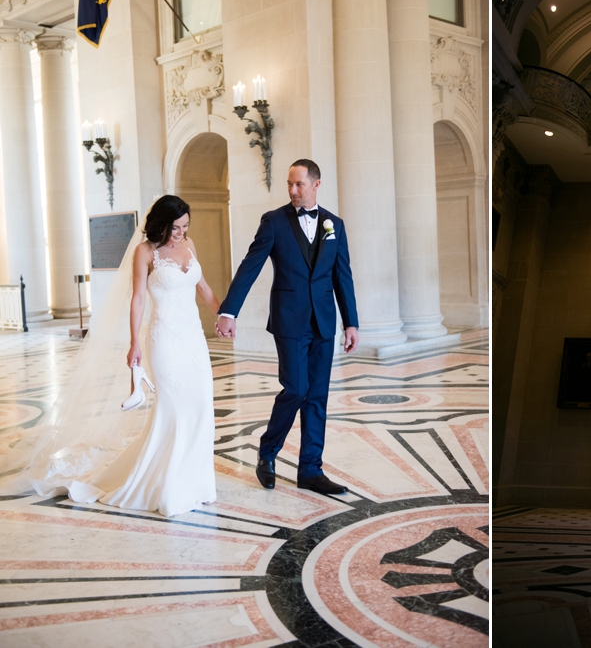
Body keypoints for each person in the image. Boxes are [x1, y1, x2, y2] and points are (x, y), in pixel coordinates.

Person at [0, 196, 220, 517]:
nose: (181, 233)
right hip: (164, 341)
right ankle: (168, 486)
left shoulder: (189, 245)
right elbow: (138, 300)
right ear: (161, 224)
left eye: (185, 226)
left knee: (200, 405)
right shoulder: (144, 252)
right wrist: (134, 344)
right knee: (172, 410)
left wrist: (225, 315)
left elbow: (204, 288)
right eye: (175, 227)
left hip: (194, 340)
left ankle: (196, 483)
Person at [216, 159, 359, 497]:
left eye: (299, 184)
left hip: (324, 322)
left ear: (316, 184)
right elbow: (250, 266)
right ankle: (267, 455)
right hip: (290, 321)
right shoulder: (274, 222)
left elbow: (343, 277)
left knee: (317, 397)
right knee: (295, 389)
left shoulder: (333, 224)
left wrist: (351, 322)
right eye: (289, 185)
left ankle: (311, 469)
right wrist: (229, 311)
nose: (293, 191)